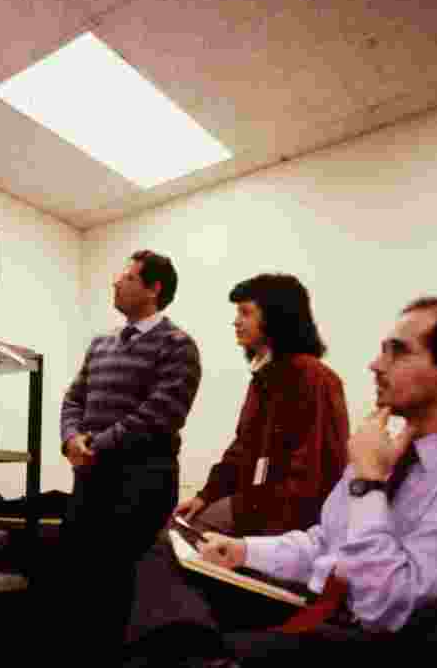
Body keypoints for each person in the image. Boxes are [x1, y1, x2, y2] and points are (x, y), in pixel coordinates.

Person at [129, 296, 437, 665]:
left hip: (384, 643)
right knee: (163, 553)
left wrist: (368, 485)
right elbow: (325, 541)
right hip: (320, 607)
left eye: (398, 352)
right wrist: (244, 550)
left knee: (182, 641)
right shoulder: (384, 449)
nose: (375, 365)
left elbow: (385, 611)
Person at [129, 274, 350, 642]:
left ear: (276, 317)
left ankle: (184, 646)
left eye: (246, 312)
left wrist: (260, 541)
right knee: (171, 538)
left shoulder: (315, 379)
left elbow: (313, 474)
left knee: (166, 550)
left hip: (284, 521)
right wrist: (205, 496)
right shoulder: (263, 379)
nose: (236, 321)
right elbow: (241, 450)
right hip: (252, 508)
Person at [56, 250, 202, 665]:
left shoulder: (178, 346)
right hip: (90, 482)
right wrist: (70, 440)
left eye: (128, 278)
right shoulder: (100, 344)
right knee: (77, 589)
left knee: (118, 593)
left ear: (154, 289)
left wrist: (95, 445)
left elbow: (161, 414)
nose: (116, 283)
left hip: (141, 485)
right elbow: (74, 398)